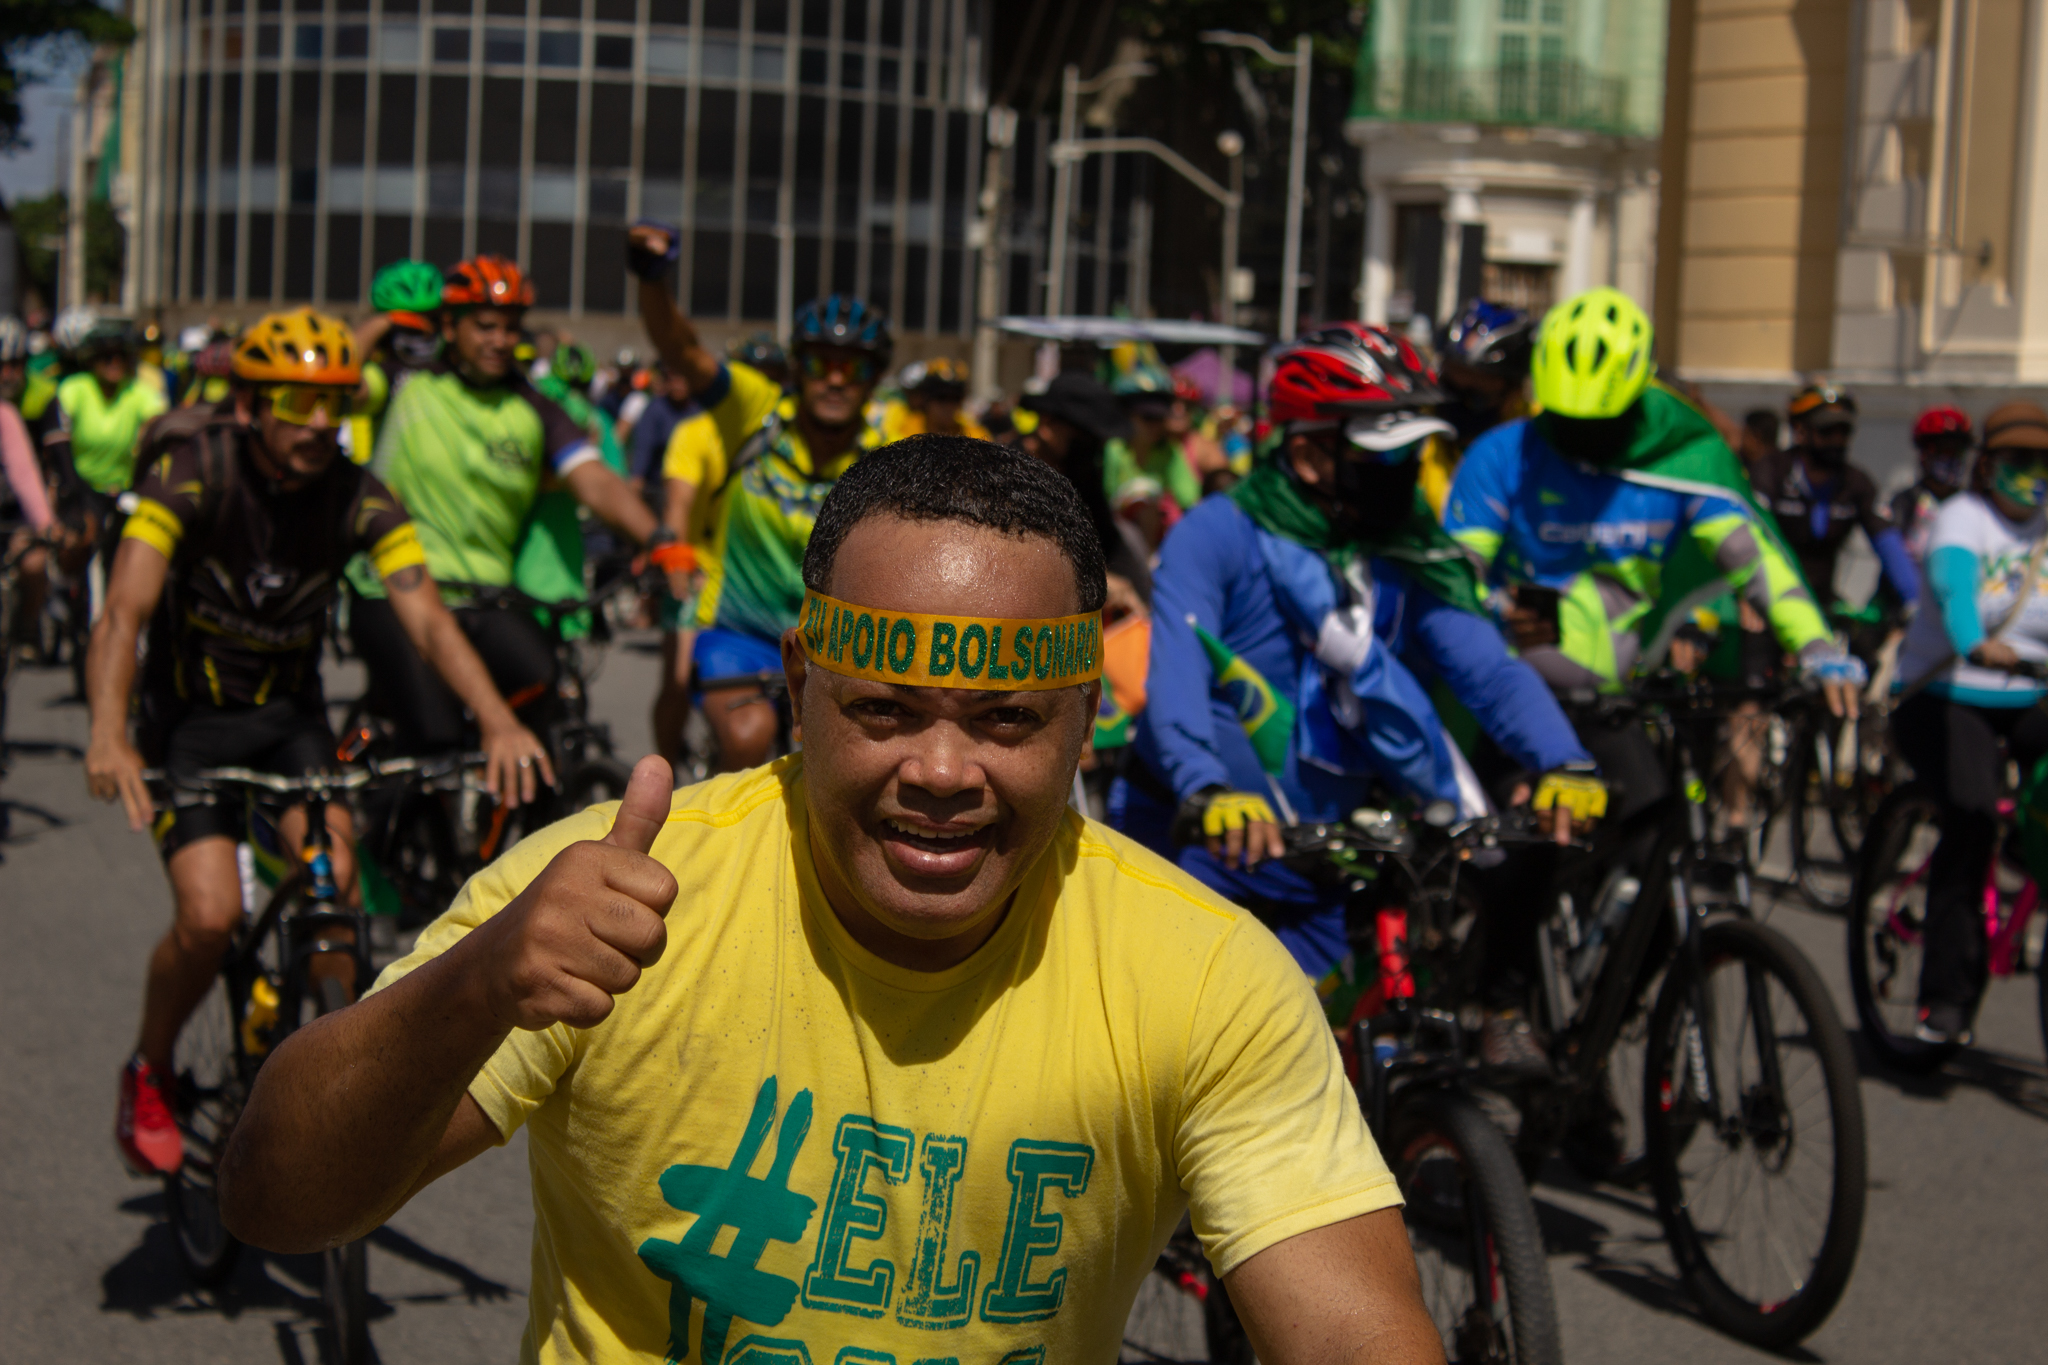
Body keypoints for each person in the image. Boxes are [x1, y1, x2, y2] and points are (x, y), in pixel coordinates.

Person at [215, 437, 1442, 1365]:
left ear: (1085, 719)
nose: (943, 775)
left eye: (1007, 719)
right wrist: (475, 984)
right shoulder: (610, 893)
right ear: (798, 683)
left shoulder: (1200, 975)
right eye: (884, 709)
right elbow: (279, 1202)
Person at [84, 309, 553, 1176]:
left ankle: (310, 1059)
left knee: (334, 905)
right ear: (253, 402)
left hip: (291, 722)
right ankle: (148, 1069)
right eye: (295, 401)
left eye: (332, 404)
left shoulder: (359, 495)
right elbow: (124, 612)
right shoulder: (194, 475)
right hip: (187, 724)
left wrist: (496, 717)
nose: (314, 422)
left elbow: (425, 617)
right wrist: (109, 734)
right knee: (211, 915)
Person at [1117, 329, 1601, 1069]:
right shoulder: (1219, 534)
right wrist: (1206, 786)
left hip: (1326, 853)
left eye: (1414, 453)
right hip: (1196, 844)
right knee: (1175, 1078)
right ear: (1310, 453)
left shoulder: (1409, 550)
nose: (1406, 471)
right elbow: (1177, 667)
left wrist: (1564, 758)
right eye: (1386, 454)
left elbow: (1488, 668)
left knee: (1336, 1064)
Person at [1443, 289, 1861, 812]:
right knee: (1511, 859)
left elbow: (1757, 561)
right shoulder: (1502, 454)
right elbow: (1454, 577)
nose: (1577, 437)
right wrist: (1498, 610)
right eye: (1563, 418)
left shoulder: (1683, 457)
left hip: (1615, 702)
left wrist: (1817, 645)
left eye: (1597, 422)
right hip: (1511, 702)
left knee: (1654, 834)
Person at [349, 255, 683, 762]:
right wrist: (383, 324)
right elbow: (341, 384)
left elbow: (596, 481)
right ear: (450, 327)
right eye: (484, 326)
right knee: (432, 731)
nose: (500, 340)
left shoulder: (533, 406)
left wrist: (660, 539)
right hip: (393, 591)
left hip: (484, 594)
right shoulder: (405, 382)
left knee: (543, 685)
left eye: (510, 328)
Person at [631, 221, 889, 772]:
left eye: (854, 368)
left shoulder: (882, 461)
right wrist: (651, 277)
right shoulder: (757, 410)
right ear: (798, 368)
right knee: (749, 737)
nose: (836, 380)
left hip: (831, 645)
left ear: (874, 380)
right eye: (821, 364)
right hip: (737, 630)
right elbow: (680, 347)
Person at [1890, 402, 2048, 1045]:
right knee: (1972, 817)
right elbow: (1954, 584)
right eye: (2017, 461)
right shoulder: (1961, 517)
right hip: (1948, 696)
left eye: (2043, 462)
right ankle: (1945, 999)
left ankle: (2029, 841)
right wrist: (1974, 639)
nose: (2031, 475)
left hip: (2030, 694)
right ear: (1988, 465)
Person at [1749, 384, 1921, 616]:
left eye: (1844, 431)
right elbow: (1748, 538)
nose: (1837, 440)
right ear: (1799, 431)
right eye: (1826, 432)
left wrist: (1915, 603)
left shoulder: (1856, 481)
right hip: (1765, 600)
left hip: (1823, 603)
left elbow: (1887, 542)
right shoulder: (1771, 471)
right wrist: (1748, 596)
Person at [1012, 372, 1152, 618]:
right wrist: (1093, 582)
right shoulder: (1006, 474)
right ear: (1047, 425)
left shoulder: (1083, 478)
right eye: (1083, 439)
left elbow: (1110, 544)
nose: (1091, 451)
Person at [1425, 299, 1535, 518]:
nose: (1456, 407)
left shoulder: (1538, 448)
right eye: (1448, 390)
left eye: (1475, 398)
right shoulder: (1416, 434)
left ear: (1514, 395)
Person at [55, 315, 168, 501]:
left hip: (124, 489)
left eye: (121, 355)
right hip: (80, 488)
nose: (114, 362)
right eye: (106, 356)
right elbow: (60, 437)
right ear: (92, 358)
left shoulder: (139, 391)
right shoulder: (75, 388)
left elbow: (157, 421)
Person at [346, 259, 446, 464]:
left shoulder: (453, 370)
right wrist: (384, 322)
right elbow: (344, 378)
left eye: (430, 319)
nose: (420, 332)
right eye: (407, 325)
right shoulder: (382, 375)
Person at [1896, 405, 1973, 567]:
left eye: (1957, 452)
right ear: (1924, 455)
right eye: (1944, 451)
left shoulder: (1973, 505)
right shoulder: (1905, 503)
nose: (1951, 459)